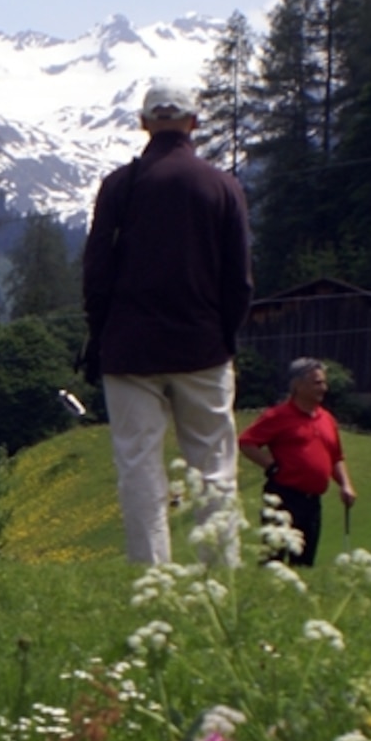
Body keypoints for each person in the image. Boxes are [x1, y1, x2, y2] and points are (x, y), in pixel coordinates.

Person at [81, 82, 253, 566]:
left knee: (138, 464)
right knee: (213, 465)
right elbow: (239, 280)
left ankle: (151, 572)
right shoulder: (222, 186)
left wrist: (102, 333)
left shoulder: (119, 186)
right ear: (194, 124)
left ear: (144, 125)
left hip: (130, 349)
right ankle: (220, 573)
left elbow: (96, 273)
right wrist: (224, 337)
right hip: (202, 347)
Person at [240, 357, 357, 566]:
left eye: (323, 382)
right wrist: (271, 465)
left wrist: (345, 485)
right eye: (317, 383)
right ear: (297, 385)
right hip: (283, 496)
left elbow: (336, 457)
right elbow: (247, 443)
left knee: (304, 561)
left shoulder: (326, 419)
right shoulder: (278, 415)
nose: (324, 388)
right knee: (273, 558)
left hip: (312, 501)